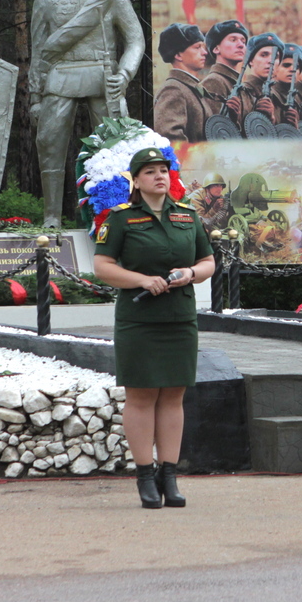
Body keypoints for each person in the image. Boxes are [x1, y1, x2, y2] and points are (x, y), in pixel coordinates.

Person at [93, 148, 215, 509]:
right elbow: (103, 266)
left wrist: (190, 274)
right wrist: (142, 280)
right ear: (136, 180)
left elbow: (207, 260)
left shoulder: (187, 216)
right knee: (142, 395)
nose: (159, 177)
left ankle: (170, 474)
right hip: (139, 319)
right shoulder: (120, 219)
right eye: (150, 172)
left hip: (179, 316)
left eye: (163, 170)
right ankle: (145, 474)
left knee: (174, 395)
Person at [30, 0, 143, 227]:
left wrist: (125, 74)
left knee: (114, 147)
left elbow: (135, 41)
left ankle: (113, 215)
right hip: (61, 74)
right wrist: (34, 96)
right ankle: (52, 215)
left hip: (103, 77)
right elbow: (38, 48)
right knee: (50, 143)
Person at [153, 22, 209, 143]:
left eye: (203, 47)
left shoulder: (189, 87)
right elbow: (170, 137)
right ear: (178, 55)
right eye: (197, 47)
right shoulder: (173, 89)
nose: (205, 52)